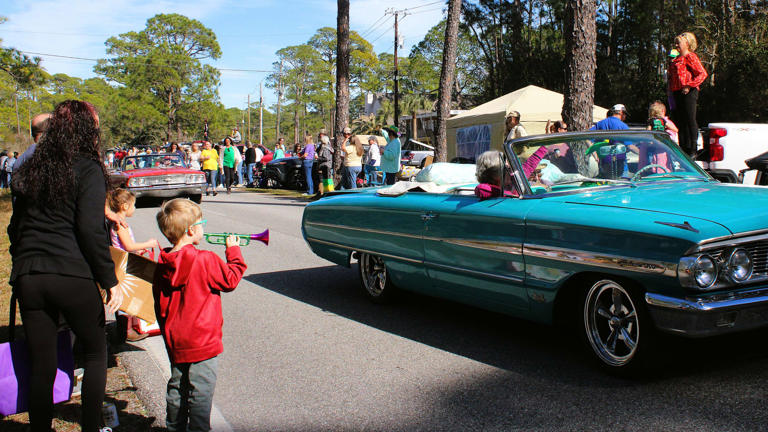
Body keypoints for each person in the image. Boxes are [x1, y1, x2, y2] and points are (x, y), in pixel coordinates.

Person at [9, 100, 122, 432]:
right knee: (95, 352)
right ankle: (90, 426)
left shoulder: (31, 168)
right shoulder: (87, 167)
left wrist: (22, 262)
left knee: (41, 363)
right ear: (88, 131)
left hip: (30, 274)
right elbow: (89, 229)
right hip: (71, 273)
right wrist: (108, 277)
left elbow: (16, 227)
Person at [153, 198, 246, 432]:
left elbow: (159, 303)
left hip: (176, 339)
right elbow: (231, 279)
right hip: (203, 341)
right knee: (201, 392)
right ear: (192, 230)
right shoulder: (204, 259)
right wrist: (233, 251)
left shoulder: (163, 264)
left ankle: (174, 427)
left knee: (177, 387)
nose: (203, 227)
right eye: (201, 223)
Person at [107, 188, 159, 342]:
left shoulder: (119, 223)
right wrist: (148, 243)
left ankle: (126, 329)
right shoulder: (121, 225)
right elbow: (129, 246)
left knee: (126, 296)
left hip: (124, 262)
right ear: (124, 206)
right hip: (123, 266)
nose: (134, 208)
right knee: (125, 298)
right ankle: (126, 331)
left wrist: (139, 249)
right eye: (133, 205)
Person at [669, 31, 708, 157]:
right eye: (675, 43)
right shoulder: (676, 60)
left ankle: (693, 148)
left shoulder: (690, 57)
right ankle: (683, 147)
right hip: (677, 92)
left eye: (678, 43)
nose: (676, 45)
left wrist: (689, 85)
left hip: (689, 92)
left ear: (687, 44)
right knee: (680, 121)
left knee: (690, 118)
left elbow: (702, 73)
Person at [474, 147, 549, 200]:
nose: (510, 167)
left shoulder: (514, 179)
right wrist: (506, 193)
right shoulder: (487, 190)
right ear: (494, 174)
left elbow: (530, 164)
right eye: (505, 167)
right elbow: (481, 189)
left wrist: (545, 144)